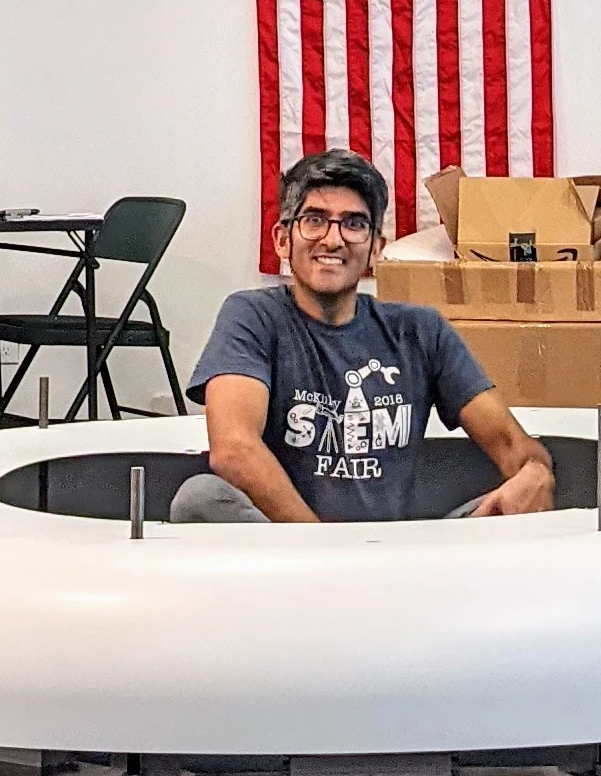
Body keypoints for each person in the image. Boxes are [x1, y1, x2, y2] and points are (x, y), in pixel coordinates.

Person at [172, 150, 555, 524]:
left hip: (395, 554)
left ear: (376, 247)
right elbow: (234, 450)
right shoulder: (252, 316)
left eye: (354, 224)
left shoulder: (420, 329)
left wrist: (534, 471)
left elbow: (510, 444)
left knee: (519, 498)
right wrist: (327, 553)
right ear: (282, 240)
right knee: (200, 497)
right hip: (292, 556)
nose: (333, 240)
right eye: (314, 220)